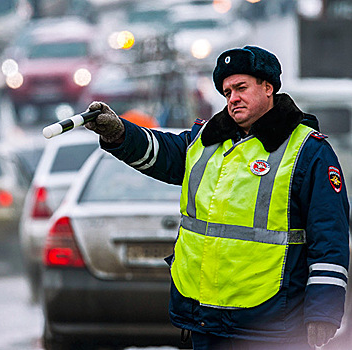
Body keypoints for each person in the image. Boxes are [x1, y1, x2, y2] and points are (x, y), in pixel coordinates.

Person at [84, 45, 350, 349]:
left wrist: (324, 311)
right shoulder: (206, 141)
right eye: (226, 93)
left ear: (268, 88)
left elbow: (330, 237)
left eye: (241, 88)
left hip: (271, 324)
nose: (233, 98)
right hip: (206, 317)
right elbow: (160, 152)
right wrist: (119, 133)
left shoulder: (308, 151)